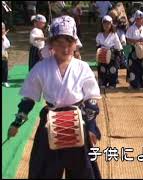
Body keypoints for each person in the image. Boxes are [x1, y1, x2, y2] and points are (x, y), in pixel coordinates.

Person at [7, 15, 102, 179]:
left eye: (69, 43)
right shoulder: (41, 67)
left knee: (82, 170)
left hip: (77, 122)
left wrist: (92, 126)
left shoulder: (82, 67)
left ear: (75, 43)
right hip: (49, 124)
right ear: (51, 44)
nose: (65, 48)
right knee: (46, 170)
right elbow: (29, 98)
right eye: (59, 43)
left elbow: (91, 99)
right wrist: (17, 122)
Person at [96, 15, 124, 89]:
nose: (106, 25)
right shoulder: (99, 35)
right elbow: (98, 45)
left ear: (111, 25)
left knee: (113, 70)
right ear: (102, 25)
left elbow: (118, 47)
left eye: (108, 23)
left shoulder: (114, 35)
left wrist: (115, 54)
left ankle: (112, 83)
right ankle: (103, 83)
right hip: (102, 56)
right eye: (105, 23)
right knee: (102, 69)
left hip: (112, 56)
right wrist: (100, 51)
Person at [125, 10, 143, 89]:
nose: (141, 20)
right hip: (134, 50)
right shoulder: (131, 28)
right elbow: (128, 40)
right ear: (136, 19)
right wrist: (137, 41)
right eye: (139, 19)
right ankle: (134, 84)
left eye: (142, 19)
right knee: (134, 68)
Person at [2, 22, 10, 87]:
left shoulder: (4, 36)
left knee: (5, 68)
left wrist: (3, 38)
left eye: (3, 28)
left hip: (3, 55)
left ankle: (5, 81)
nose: (2, 30)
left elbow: (8, 45)